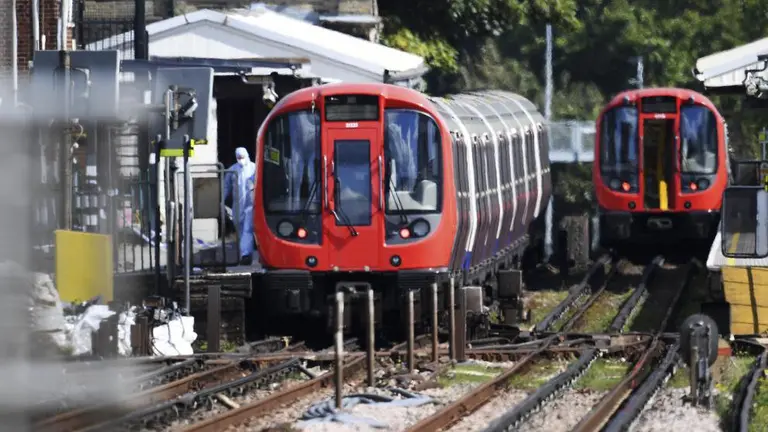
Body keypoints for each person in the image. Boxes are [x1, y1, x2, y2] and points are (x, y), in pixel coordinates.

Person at [223, 147, 256, 265]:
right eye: (239, 158)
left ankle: (245, 254)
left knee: (247, 228)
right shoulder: (233, 170)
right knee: (240, 228)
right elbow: (226, 187)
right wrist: (222, 200)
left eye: (242, 157)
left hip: (250, 204)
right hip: (237, 205)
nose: (241, 160)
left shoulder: (254, 168)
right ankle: (245, 252)